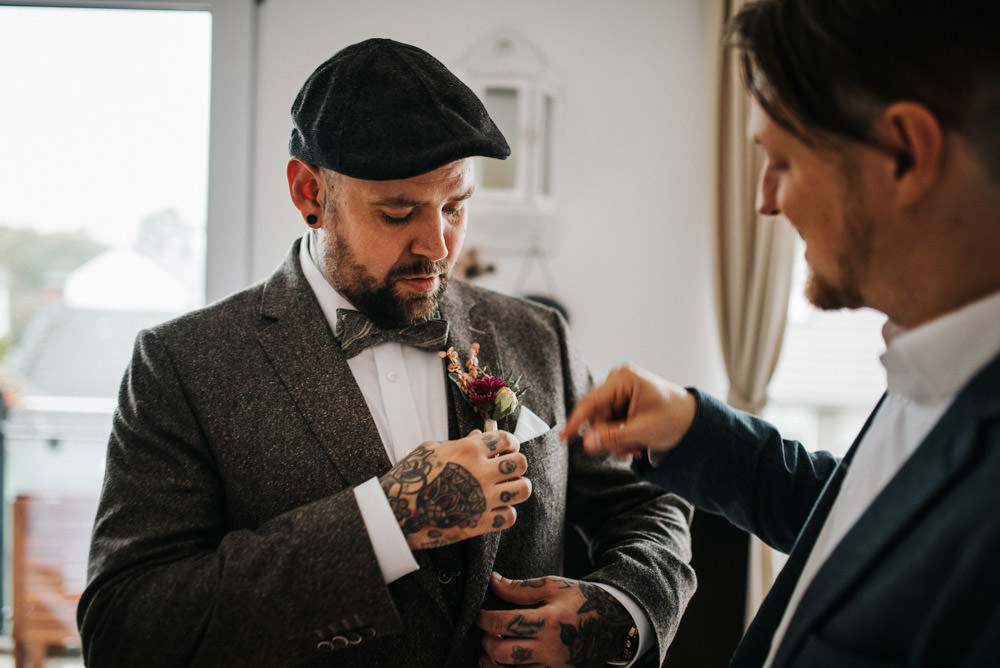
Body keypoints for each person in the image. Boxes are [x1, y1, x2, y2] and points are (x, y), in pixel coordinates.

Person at [77, 38, 695, 668]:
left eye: (455, 207)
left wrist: (622, 610)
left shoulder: (537, 335)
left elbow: (644, 504)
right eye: (399, 213)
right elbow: (127, 627)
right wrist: (387, 519)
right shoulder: (182, 366)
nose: (438, 246)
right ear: (309, 193)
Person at [562, 0, 1000, 666]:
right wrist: (692, 427)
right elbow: (862, 526)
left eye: (783, 161)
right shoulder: (932, 355)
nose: (765, 199)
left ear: (906, 154)